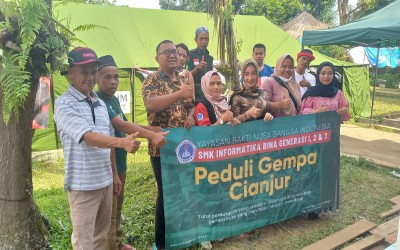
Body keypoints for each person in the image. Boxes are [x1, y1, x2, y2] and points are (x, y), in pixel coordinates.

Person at [54, 47, 141, 250]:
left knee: (101, 238)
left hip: (105, 182)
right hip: (83, 186)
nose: (90, 77)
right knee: (84, 242)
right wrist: (123, 143)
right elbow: (88, 136)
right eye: (84, 72)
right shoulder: (64, 104)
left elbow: (108, 138)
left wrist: (114, 175)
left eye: (93, 71)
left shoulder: (99, 104)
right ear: (70, 73)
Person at [96, 55, 169, 250]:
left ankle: (118, 243)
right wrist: (152, 137)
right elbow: (120, 124)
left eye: (116, 77)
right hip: (108, 165)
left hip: (120, 163)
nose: (113, 82)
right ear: (96, 78)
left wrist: (151, 130)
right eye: (107, 77)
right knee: (110, 213)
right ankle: (112, 246)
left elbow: (129, 123)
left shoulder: (112, 100)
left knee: (118, 207)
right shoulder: (99, 101)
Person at [142, 40, 195, 250]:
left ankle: (180, 233)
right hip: (161, 148)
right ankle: (161, 243)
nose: (173, 55)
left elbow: (190, 102)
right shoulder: (152, 80)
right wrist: (179, 94)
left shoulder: (182, 79)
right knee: (166, 193)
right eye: (167, 52)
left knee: (182, 191)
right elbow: (151, 104)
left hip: (183, 147)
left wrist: (190, 115)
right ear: (157, 58)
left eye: (174, 52)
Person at [300, 62, 350, 219]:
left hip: (331, 140)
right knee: (313, 171)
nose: (326, 76)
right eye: (323, 73)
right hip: (314, 140)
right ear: (318, 75)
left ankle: (326, 205)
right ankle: (311, 207)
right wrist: (315, 112)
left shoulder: (338, 94)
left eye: (329, 73)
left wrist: (344, 112)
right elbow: (301, 113)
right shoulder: (311, 93)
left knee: (328, 170)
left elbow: (346, 116)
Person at [230, 59, 273, 123]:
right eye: (246, 74)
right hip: (244, 133)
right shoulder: (237, 96)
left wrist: (269, 116)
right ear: (242, 76)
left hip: (261, 132)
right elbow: (232, 121)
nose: (250, 78)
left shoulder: (263, 94)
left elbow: (268, 114)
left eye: (253, 73)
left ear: (258, 75)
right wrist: (247, 114)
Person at [187, 27, 214, 102]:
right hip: (194, 94)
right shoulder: (190, 55)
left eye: (206, 39)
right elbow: (186, 77)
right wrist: (197, 68)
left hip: (208, 95)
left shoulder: (210, 58)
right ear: (196, 40)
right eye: (201, 39)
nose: (204, 42)